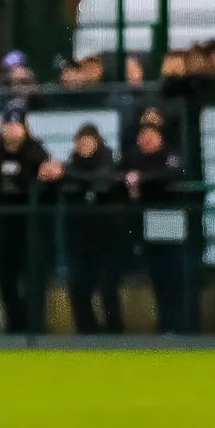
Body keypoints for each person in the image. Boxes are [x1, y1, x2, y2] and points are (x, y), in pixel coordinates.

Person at [0, 102, 51, 334]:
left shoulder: (36, 153)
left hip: (31, 226)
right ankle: (15, 325)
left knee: (34, 279)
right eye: (8, 124)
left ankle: (34, 327)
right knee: (6, 280)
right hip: (3, 225)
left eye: (17, 124)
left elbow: (45, 185)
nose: (12, 129)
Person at [50, 122, 125, 334]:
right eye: (80, 142)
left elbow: (104, 180)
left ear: (97, 142)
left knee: (108, 286)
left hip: (106, 236)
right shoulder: (72, 165)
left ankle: (115, 331)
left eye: (88, 141)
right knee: (78, 287)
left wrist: (68, 175)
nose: (83, 146)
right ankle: (87, 330)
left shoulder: (108, 161)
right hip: (79, 237)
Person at [121, 119, 190, 333]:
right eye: (143, 135)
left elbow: (172, 175)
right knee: (157, 275)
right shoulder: (133, 159)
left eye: (152, 135)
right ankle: (164, 324)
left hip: (167, 218)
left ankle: (178, 325)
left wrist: (142, 180)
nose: (147, 139)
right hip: (143, 221)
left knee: (174, 274)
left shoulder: (170, 157)